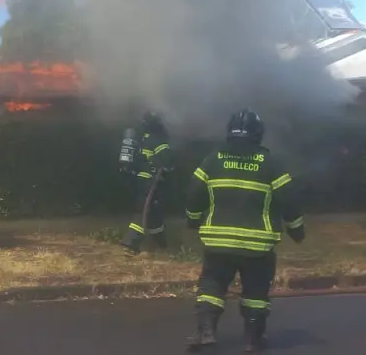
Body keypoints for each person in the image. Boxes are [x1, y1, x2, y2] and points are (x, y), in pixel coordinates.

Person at [184, 108, 305, 353]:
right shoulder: (271, 162)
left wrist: (193, 219)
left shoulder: (213, 158)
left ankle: (206, 331)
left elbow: (194, 191)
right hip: (257, 246)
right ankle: (252, 339)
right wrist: (297, 229)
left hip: (219, 242)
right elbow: (289, 200)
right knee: (256, 291)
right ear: (258, 133)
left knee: (212, 285)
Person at [119, 110, 175, 256]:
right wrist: (168, 169)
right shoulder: (157, 140)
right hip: (151, 182)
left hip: (140, 180)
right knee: (143, 212)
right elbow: (167, 159)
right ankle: (130, 244)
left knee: (154, 214)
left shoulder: (142, 138)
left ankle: (161, 244)